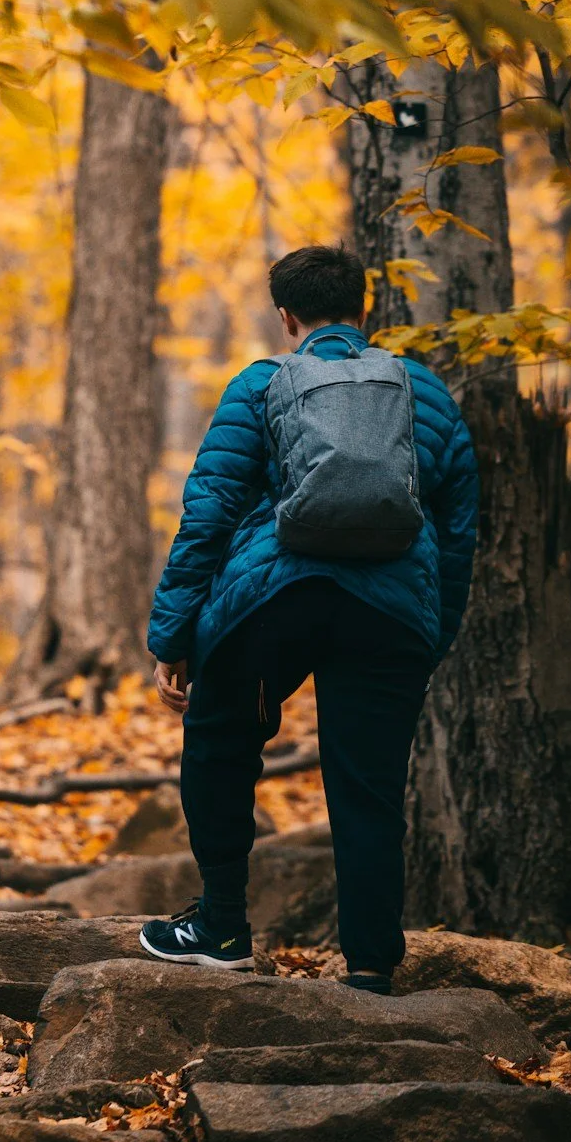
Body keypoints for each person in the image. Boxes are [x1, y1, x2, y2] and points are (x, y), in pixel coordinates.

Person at [142, 244, 478, 990]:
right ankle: (367, 964)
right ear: (367, 310)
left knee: (221, 740)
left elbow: (208, 514)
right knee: (367, 783)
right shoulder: (424, 391)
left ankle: (221, 922)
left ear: (286, 317)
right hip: (389, 614)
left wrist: (172, 634)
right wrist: (434, 631)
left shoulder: (261, 384)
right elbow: (456, 533)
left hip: (276, 600)